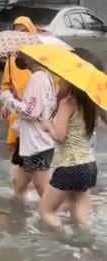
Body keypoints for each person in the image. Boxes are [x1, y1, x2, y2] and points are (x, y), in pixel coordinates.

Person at [39, 65, 100, 228]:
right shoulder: (90, 103)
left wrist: (48, 126)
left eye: (62, 79)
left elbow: (59, 136)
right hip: (89, 165)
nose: (59, 82)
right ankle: (85, 245)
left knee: (47, 210)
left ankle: (62, 242)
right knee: (80, 215)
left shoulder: (68, 103)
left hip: (70, 165)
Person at [0, 52, 57, 201]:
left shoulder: (37, 78)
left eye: (21, 53)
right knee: (19, 189)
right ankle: (19, 219)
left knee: (44, 192)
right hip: (30, 142)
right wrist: (18, 100)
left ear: (31, 56)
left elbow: (30, 112)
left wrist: (7, 99)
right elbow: (35, 107)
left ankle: (55, 221)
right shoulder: (46, 76)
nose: (18, 56)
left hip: (37, 144)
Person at [0, 16, 37, 157]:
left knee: (35, 153)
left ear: (31, 32)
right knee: (14, 152)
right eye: (16, 32)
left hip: (36, 112)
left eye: (23, 31)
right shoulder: (11, 58)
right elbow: (6, 85)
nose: (20, 35)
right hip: (17, 111)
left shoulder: (41, 56)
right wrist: (6, 102)